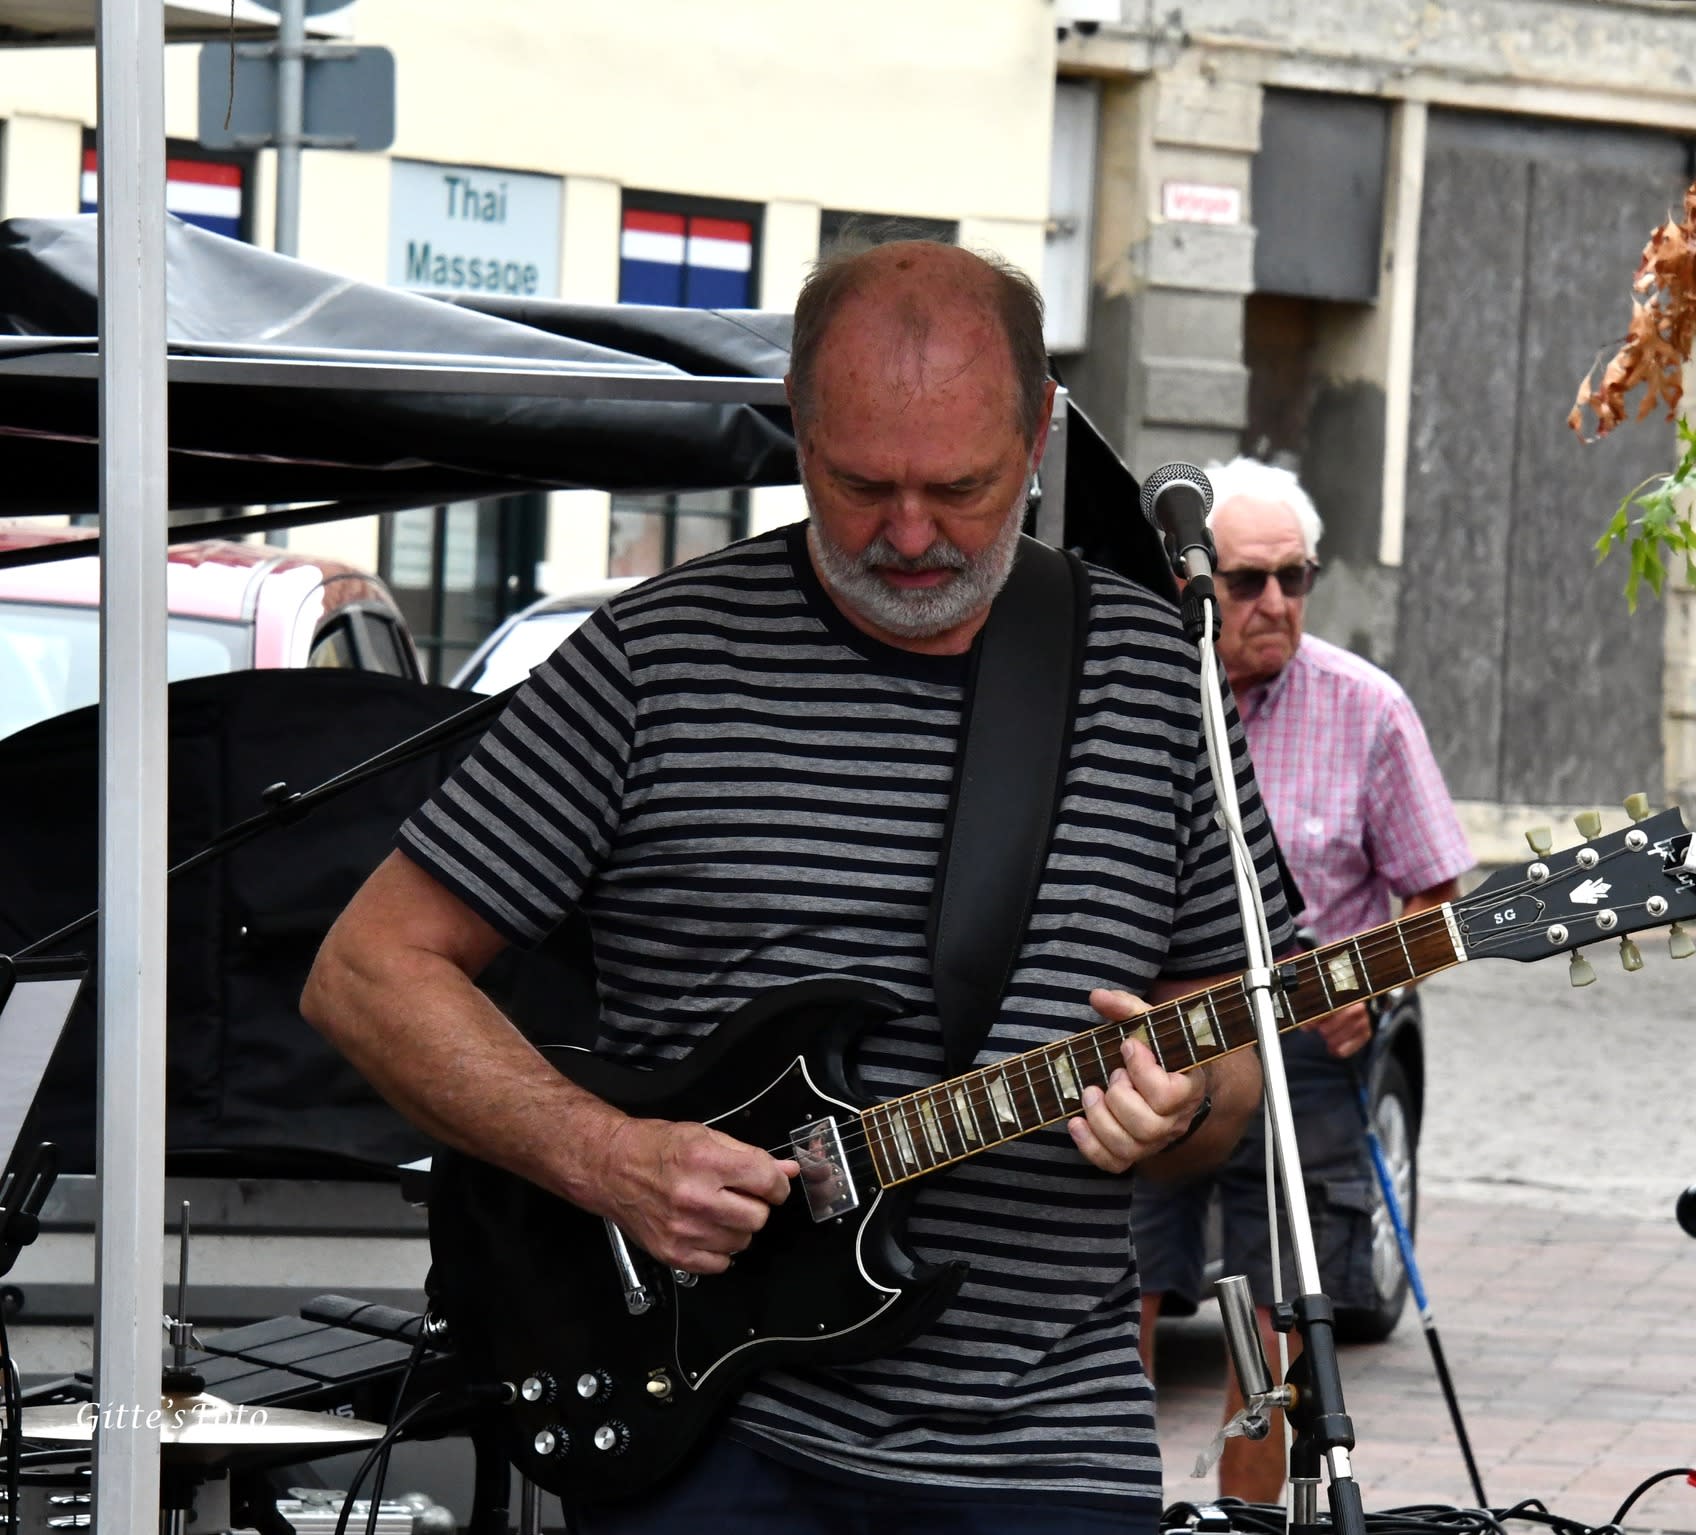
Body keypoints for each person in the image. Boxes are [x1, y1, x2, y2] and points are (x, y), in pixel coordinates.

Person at [299, 241, 1298, 1533]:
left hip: (1046, 1443)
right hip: (709, 1434)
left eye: (961, 487)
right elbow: (367, 971)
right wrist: (607, 1156)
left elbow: (1233, 1045)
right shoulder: (649, 660)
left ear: (1039, 430)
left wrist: (1184, 1106)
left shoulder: (1157, 676)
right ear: (795, 420)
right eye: (859, 482)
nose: (910, 533)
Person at [1130, 458, 1472, 1503]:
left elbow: (1435, 897)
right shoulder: (1139, 694)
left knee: (1265, 1319)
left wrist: (1370, 992)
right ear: (1195, 582)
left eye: (1295, 576)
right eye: (1246, 580)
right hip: (1152, 1046)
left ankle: (1245, 1520)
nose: (1274, 601)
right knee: (1121, 1295)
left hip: (1300, 1064)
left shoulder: (1368, 707)